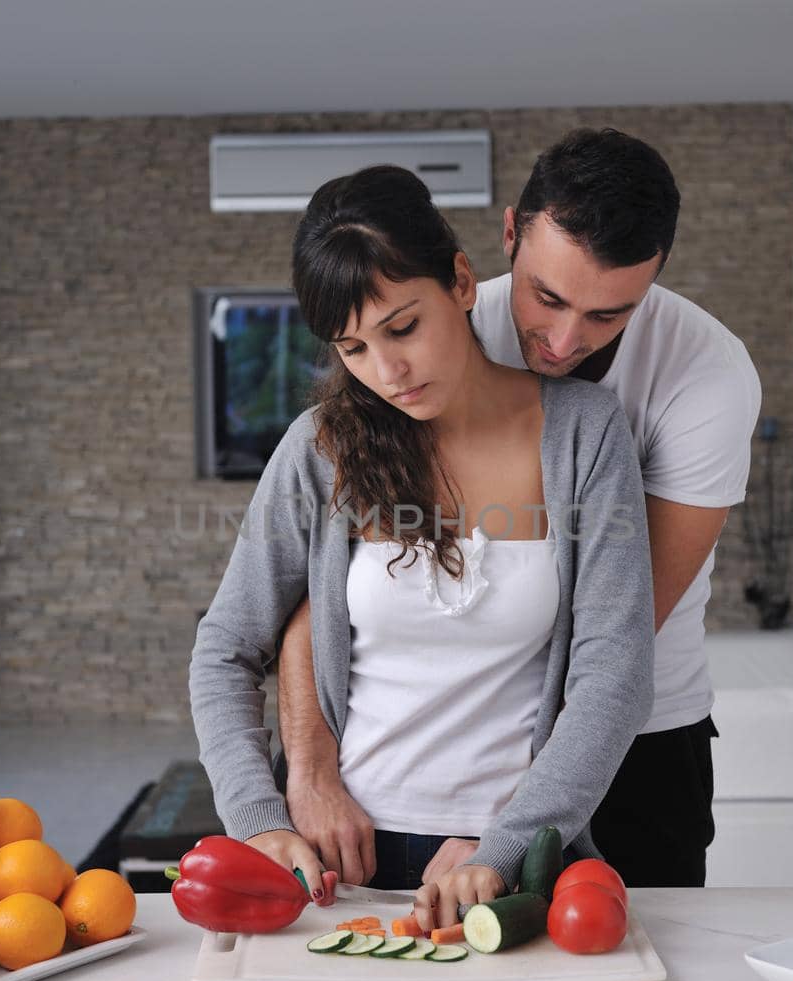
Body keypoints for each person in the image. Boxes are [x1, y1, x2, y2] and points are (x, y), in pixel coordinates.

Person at [278, 128, 762, 888]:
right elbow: (326, 584)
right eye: (548, 297)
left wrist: (496, 827)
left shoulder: (708, 375)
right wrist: (308, 770)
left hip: (641, 734)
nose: (566, 339)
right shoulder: (434, 320)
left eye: (610, 315)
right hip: (463, 761)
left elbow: (603, 642)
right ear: (506, 238)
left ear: (656, 274)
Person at [189, 165, 655, 930]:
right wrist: (257, 817)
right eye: (354, 348)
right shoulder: (322, 448)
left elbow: (616, 674)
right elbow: (225, 646)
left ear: (463, 281)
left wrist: (502, 849)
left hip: (513, 865)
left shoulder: (583, 433)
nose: (388, 372)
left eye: (402, 328)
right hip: (338, 864)